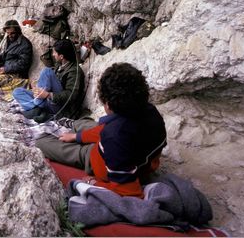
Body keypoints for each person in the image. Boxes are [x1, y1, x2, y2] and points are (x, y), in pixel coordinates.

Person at [36, 63, 167, 198]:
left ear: (108, 104)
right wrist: (77, 137)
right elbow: (111, 130)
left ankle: (73, 136)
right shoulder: (150, 111)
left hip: (99, 160)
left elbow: (130, 192)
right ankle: (74, 128)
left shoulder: (114, 136)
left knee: (41, 142)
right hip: (130, 148)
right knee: (83, 123)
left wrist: (93, 183)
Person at [12, 39, 85, 122]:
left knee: (47, 71)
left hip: (61, 107)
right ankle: (38, 110)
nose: (53, 55)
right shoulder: (60, 64)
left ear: (61, 56)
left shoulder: (74, 71)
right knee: (17, 91)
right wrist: (38, 88)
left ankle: (36, 108)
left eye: (54, 52)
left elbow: (71, 95)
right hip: (47, 100)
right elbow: (50, 83)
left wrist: (48, 95)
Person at [0, 20, 34, 101]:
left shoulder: (25, 44)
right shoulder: (8, 39)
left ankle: (20, 84)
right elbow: (6, 54)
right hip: (4, 68)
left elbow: (23, 64)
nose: (10, 35)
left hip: (16, 74)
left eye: (12, 33)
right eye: (8, 33)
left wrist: (6, 69)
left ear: (18, 31)